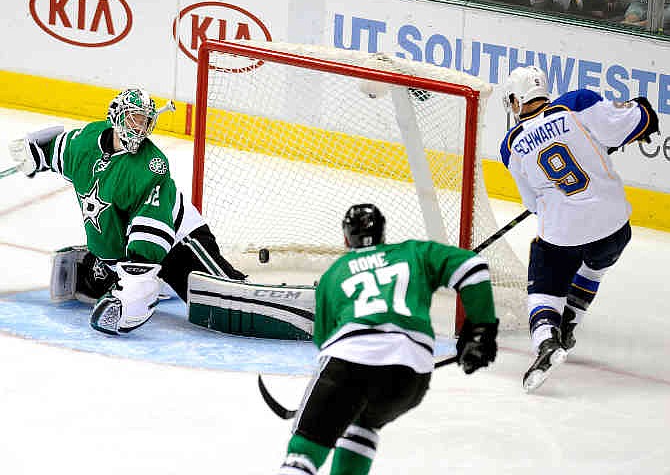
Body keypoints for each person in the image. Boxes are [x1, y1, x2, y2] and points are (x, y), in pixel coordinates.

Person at [275, 203, 499, 475]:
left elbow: (324, 342)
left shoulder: (334, 273)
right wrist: (480, 328)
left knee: (304, 451)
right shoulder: (413, 252)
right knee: (363, 425)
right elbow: (472, 267)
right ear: (383, 234)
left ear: (346, 238)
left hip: (349, 363)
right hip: (410, 377)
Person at [8, 88, 246, 335]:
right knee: (96, 282)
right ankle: (158, 283)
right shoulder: (86, 141)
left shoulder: (151, 165)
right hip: (126, 251)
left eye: (145, 121)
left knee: (218, 298)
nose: (139, 128)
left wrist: (136, 285)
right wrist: (35, 154)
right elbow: (59, 150)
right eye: (134, 118)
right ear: (115, 117)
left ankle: (243, 291)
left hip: (178, 241)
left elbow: (150, 231)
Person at [500, 66, 659, 392]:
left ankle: (547, 341)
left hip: (563, 234)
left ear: (516, 101)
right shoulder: (576, 104)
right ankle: (571, 319)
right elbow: (641, 119)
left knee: (544, 286)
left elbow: (532, 203)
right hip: (615, 226)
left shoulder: (511, 146)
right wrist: (639, 110)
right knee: (596, 261)